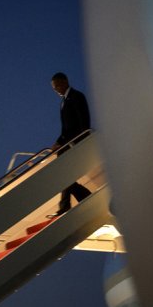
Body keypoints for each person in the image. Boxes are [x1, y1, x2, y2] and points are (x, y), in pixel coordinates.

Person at [49, 72, 92, 216]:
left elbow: (83, 122)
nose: (55, 90)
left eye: (56, 87)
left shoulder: (77, 96)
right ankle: (69, 203)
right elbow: (65, 128)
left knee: (64, 175)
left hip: (74, 143)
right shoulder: (63, 101)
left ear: (64, 82)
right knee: (64, 175)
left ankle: (69, 203)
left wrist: (81, 142)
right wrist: (57, 142)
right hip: (66, 143)